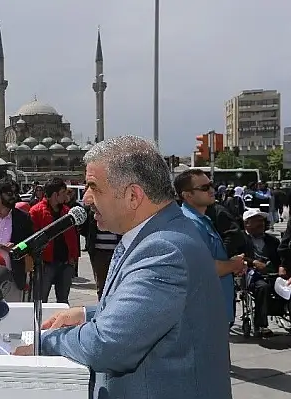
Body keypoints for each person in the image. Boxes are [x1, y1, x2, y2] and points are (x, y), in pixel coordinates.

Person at [15, 136, 232, 399]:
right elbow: (153, 309)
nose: (87, 200)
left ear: (132, 196)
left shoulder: (164, 250)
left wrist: (43, 342)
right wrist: (87, 314)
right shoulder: (158, 234)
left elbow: (109, 346)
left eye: (94, 187)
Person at [175, 169, 246, 326]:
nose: (212, 190)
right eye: (204, 188)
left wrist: (232, 263)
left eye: (211, 185)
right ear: (187, 195)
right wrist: (234, 265)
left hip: (214, 309)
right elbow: (205, 268)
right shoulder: (190, 223)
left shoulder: (202, 220)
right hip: (204, 314)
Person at [29, 178, 79, 304]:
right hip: (45, 263)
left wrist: (73, 257)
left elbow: (73, 236)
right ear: (55, 194)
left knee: (63, 300)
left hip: (65, 262)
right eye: (63, 193)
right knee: (41, 299)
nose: (65, 196)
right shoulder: (36, 211)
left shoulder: (67, 211)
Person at [241, 208, 282, 336]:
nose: (261, 224)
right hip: (251, 275)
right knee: (262, 287)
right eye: (256, 221)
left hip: (272, 274)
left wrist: (282, 267)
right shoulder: (240, 239)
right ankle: (261, 325)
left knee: (286, 286)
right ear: (247, 223)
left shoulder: (272, 241)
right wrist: (253, 262)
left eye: (262, 221)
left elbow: (280, 258)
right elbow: (236, 256)